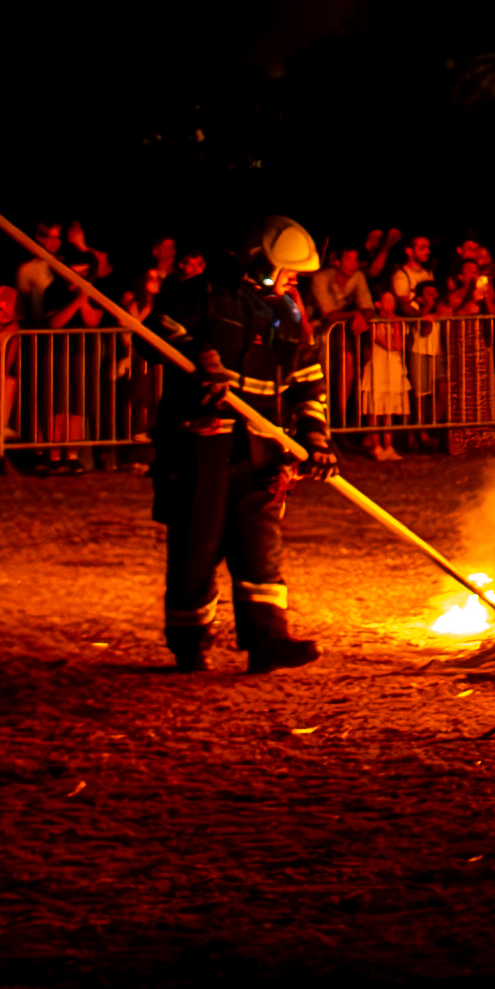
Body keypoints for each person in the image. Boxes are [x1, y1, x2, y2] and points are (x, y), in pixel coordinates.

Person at [153, 222, 322, 671]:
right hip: (200, 447)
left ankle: (268, 641)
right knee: (196, 549)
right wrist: (198, 357)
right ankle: (189, 641)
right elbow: (154, 330)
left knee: (259, 547)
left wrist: (316, 439)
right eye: (289, 270)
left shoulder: (286, 313)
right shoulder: (203, 295)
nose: (295, 280)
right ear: (263, 261)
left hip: (261, 451)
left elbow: (306, 376)